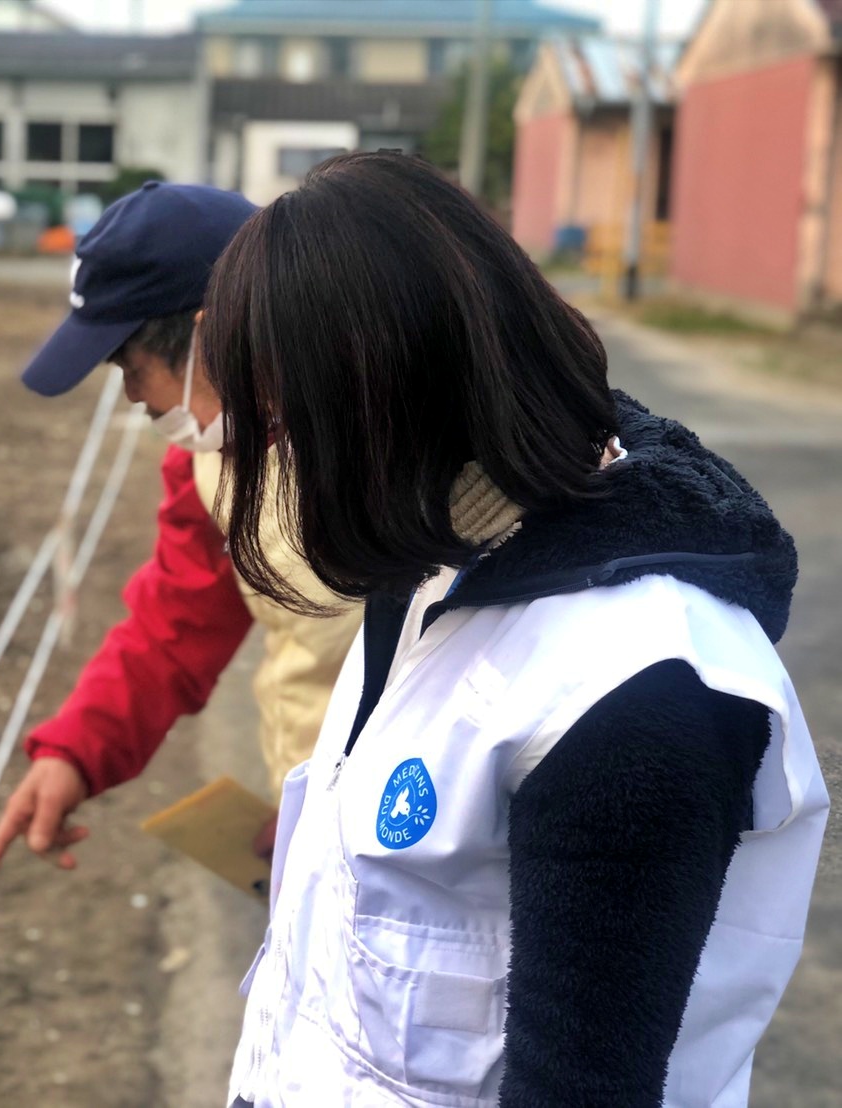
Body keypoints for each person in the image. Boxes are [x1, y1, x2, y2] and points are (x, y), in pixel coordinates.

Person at [202, 153, 828, 1107]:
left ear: (385, 402)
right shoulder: (434, 559)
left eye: (293, 427)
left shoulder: (637, 697)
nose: (281, 462)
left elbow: (581, 1085)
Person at [0, 181, 363, 878]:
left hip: (424, 846)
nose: (130, 396)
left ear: (212, 332)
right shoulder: (212, 463)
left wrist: (351, 817)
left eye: (130, 367)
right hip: (321, 831)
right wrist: (74, 752)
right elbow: (172, 625)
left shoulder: (398, 446)